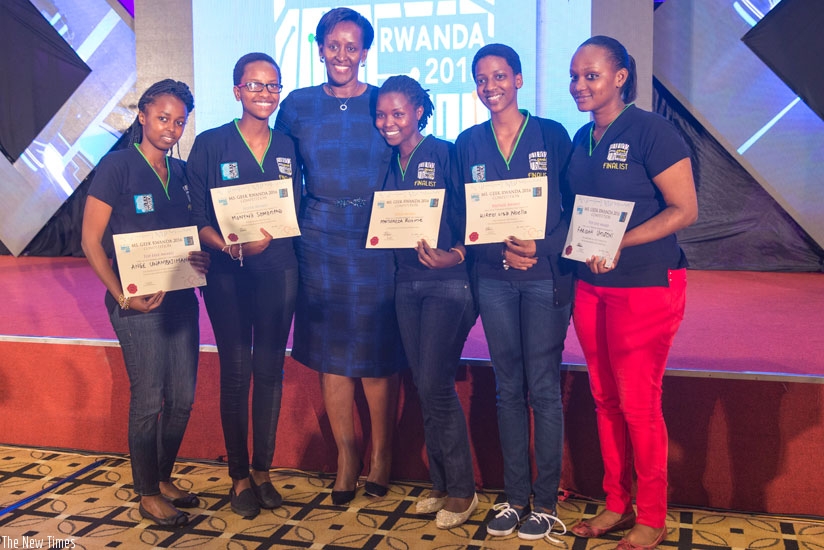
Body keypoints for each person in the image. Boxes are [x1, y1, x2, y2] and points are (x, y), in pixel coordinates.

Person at [566, 35, 698, 550]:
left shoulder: (653, 132)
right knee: (604, 399)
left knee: (639, 403)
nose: (580, 85)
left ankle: (653, 514)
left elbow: (684, 209)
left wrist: (625, 240)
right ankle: (617, 503)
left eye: (591, 76)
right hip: (591, 284)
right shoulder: (583, 137)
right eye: (575, 76)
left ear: (620, 77)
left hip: (646, 285)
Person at [274, 7, 402, 506]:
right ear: (321, 48)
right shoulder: (299, 105)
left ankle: (382, 456)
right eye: (334, 46)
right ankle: (348, 457)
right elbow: (280, 168)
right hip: (319, 235)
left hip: (378, 237)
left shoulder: (382, 102)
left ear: (365, 53)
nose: (342, 55)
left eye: (352, 47)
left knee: (376, 350)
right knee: (332, 351)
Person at [455, 44, 572, 541]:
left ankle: (544, 502)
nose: (490, 87)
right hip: (495, 278)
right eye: (481, 79)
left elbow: (571, 208)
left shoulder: (552, 133)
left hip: (546, 274)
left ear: (519, 80)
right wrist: (501, 255)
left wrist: (539, 249)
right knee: (507, 389)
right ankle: (513, 497)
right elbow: (466, 218)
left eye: (499, 76)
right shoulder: (468, 141)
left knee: (542, 388)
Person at [81, 79, 207, 527]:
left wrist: (201, 257)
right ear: (142, 115)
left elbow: (190, 237)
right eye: (162, 118)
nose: (171, 128)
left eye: (179, 121)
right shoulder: (116, 165)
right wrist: (122, 295)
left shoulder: (184, 173)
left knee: (184, 399)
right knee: (149, 397)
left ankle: (165, 476)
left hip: (181, 298)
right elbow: (91, 240)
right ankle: (148, 492)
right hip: (135, 306)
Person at [187, 53, 301, 518]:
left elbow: (296, 206)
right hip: (227, 274)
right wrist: (230, 248)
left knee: (271, 372)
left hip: (279, 269)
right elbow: (195, 218)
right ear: (236, 91)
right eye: (254, 86)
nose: (265, 94)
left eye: (273, 86)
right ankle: (237, 476)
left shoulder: (289, 145)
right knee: (236, 373)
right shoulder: (211, 144)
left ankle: (262, 471)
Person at [374, 75, 478, 528]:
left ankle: (463, 490)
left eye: (398, 113)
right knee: (423, 383)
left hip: (448, 283)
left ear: (419, 111)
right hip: (406, 282)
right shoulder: (386, 161)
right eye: (381, 114)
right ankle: (440, 483)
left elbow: (474, 214)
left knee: (435, 383)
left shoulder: (446, 152)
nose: (388, 122)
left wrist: (455, 254)